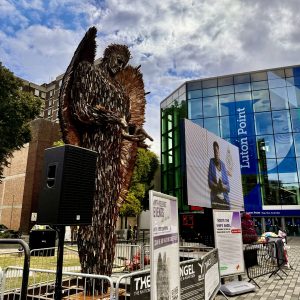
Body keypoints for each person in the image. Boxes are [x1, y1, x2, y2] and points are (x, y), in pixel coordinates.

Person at [208, 141, 230, 209]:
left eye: (217, 152)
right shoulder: (211, 162)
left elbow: (229, 188)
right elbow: (210, 182)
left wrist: (223, 186)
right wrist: (217, 186)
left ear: (219, 152)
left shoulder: (223, 165)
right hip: (215, 201)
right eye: (215, 152)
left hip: (225, 201)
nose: (216, 154)